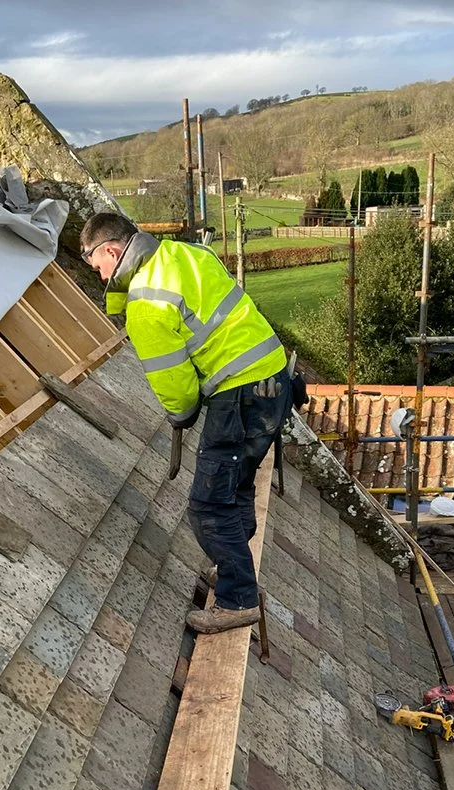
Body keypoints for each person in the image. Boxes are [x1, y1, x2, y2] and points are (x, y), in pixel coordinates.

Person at [79, 212, 294, 633]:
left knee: (208, 504)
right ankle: (235, 565)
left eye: (97, 266)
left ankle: (238, 599)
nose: (101, 276)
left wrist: (183, 414)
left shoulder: (145, 302)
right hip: (274, 377)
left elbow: (174, 384)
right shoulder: (187, 253)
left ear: (112, 251)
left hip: (240, 395)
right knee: (236, 485)